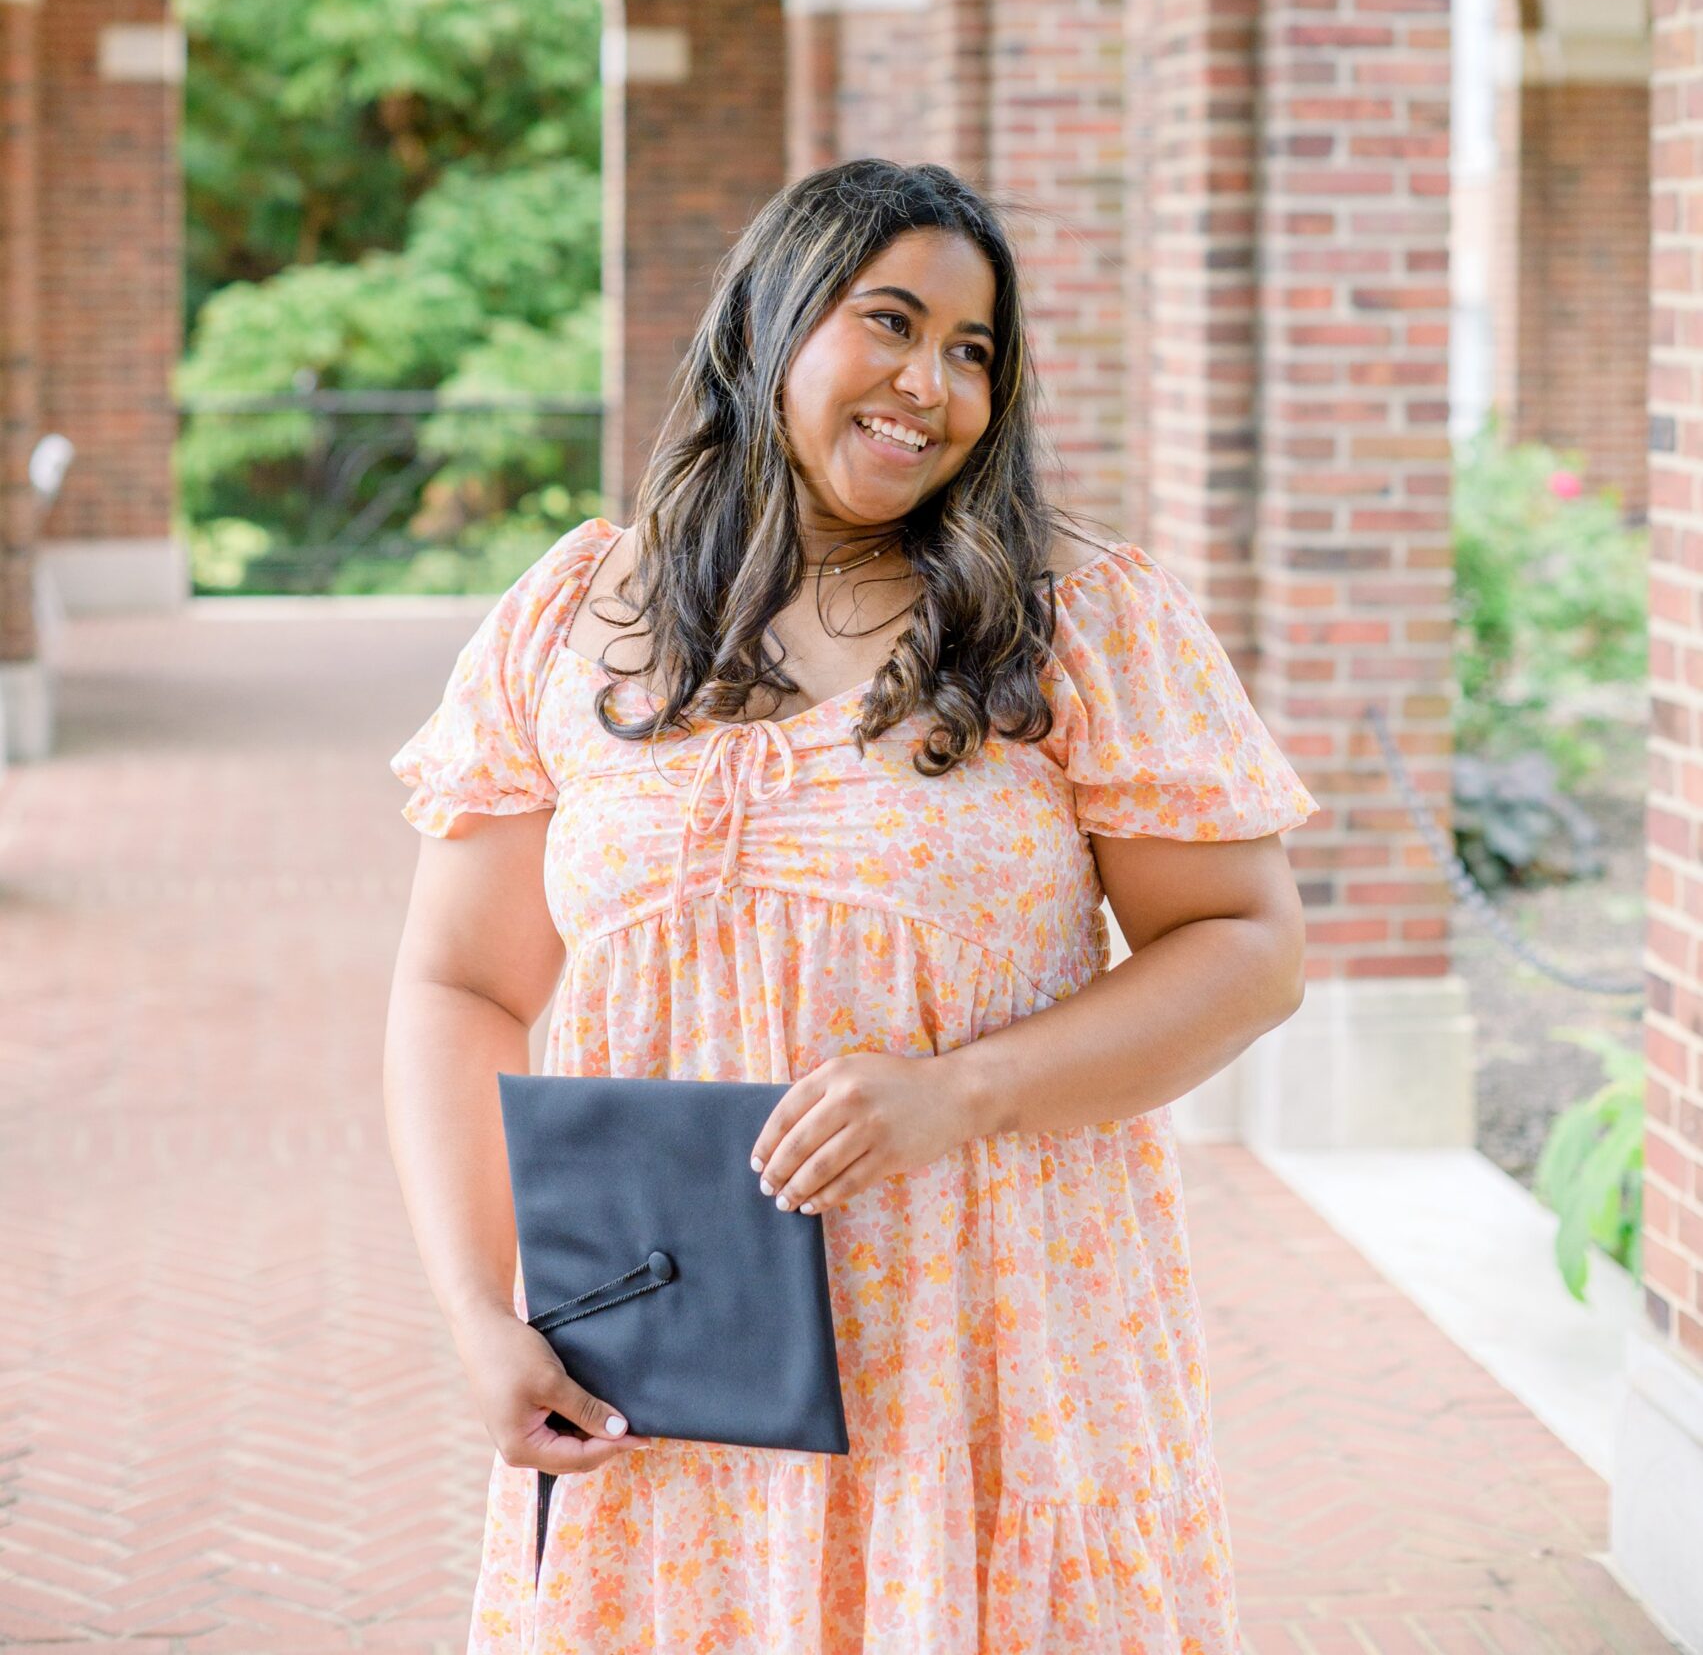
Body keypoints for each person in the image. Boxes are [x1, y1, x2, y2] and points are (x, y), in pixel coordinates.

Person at [385, 157, 1315, 1654]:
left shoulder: (1076, 623)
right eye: (888, 321)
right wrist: (478, 1313)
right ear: (768, 324)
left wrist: (966, 1090)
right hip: (662, 1376)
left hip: (985, 1363)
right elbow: (462, 987)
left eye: (972, 352)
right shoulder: (572, 622)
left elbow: (1250, 949)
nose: (930, 383)